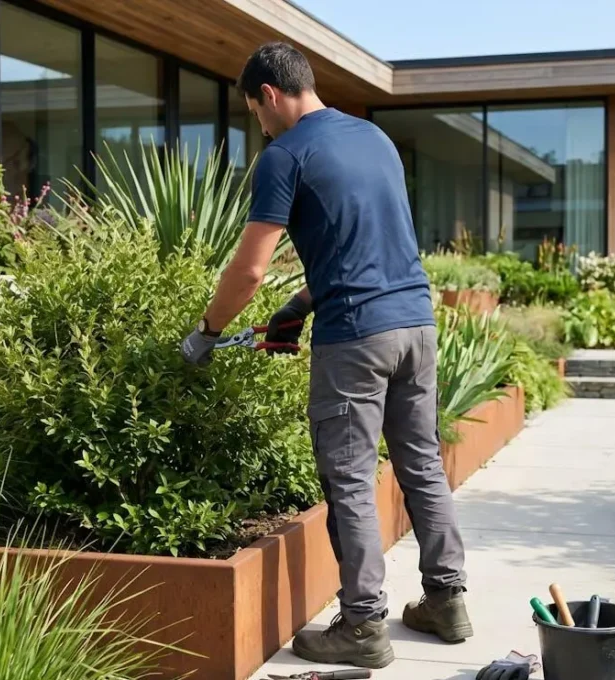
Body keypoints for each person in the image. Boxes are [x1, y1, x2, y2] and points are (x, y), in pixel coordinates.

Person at [180, 42, 472, 669]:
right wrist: (300, 306)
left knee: (350, 478)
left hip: (357, 339)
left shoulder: (284, 155)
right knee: (421, 461)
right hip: (416, 326)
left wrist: (206, 331)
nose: (259, 125)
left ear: (271, 96)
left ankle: (363, 626)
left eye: (255, 112)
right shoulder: (374, 139)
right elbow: (373, 248)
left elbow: (249, 270)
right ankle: (447, 601)